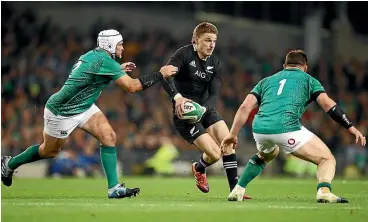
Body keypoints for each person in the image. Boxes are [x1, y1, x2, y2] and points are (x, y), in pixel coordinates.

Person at [1, 29, 178, 199]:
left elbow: (92, 74)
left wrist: (117, 70)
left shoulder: (94, 56)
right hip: (62, 110)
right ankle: (8, 164)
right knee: (48, 151)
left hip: (84, 106)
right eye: (120, 44)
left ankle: (114, 188)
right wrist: (160, 74)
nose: (123, 48)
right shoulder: (105, 62)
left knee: (108, 136)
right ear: (110, 45)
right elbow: (132, 87)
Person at [221, 49, 366, 203]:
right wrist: (350, 127)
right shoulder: (308, 80)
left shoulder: (266, 81)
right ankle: (324, 191)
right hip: (286, 127)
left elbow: (245, 107)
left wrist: (232, 133)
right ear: (305, 67)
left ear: (285, 65)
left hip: (260, 128)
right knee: (327, 159)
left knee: (267, 154)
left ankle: (237, 190)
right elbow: (328, 105)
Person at [161, 22, 250, 199]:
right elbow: (164, 75)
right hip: (184, 114)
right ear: (196, 41)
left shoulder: (215, 63)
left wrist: (203, 108)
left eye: (214, 41)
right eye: (207, 40)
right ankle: (199, 168)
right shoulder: (183, 54)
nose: (211, 45)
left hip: (205, 108)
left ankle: (235, 191)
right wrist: (177, 97)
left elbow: (214, 94)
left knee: (228, 143)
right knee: (215, 154)